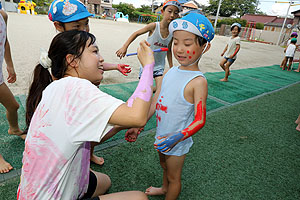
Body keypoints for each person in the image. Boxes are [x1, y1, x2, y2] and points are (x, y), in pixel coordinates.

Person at [17, 30, 153, 200]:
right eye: (95, 51)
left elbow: (87, 138)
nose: (101, 58)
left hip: (32, 194)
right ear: (72, 60)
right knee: (139, 198)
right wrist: (148, 66)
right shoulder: (76, 88)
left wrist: (120, 125)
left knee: (105, 181)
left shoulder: (54, 87)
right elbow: (137, 116)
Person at [25, 0, 131, 166]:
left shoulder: (82, 41)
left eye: (86, 24)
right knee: (82, 130)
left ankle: (89, 153)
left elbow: (94, 62)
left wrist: (115, 66)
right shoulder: (63, 48)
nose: (84, 29)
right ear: (59, 26)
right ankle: (80, 157)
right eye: (77, 26)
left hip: (87, 88)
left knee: (91, 128)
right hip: (76, 99)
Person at [126, 13, 214, 199]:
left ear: (204, 46)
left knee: (175, 177)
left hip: (177, 141)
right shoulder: (170, 71)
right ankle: (164, 188)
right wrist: (139, 125)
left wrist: (178, 137)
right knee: (164, 166)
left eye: (187, 44)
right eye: (175, 42)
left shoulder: (198, 82)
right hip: (162, 134)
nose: (179, 49)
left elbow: (200, 119)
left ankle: (169, 188)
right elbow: (156, 100)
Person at [116, 0, 182, 93]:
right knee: (144, 91)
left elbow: (168, 49)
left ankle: (150, 93)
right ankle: (145, 90)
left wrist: (171, 67)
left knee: (160, 89)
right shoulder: (154, 26)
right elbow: (136, 33)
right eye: (169, 11)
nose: (172, 15)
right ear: (162, 12)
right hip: (146, 64)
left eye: (175, 13)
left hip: (159, 66)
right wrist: (124, 47)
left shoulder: (172, 33)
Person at [0, 9, 24, 172]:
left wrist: (10, 65)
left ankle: (14, 129)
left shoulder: (3, 15)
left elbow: (5, 41)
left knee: (13, 106)